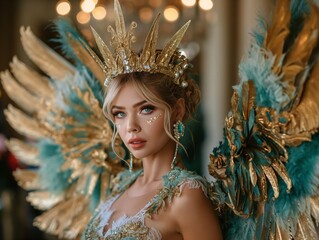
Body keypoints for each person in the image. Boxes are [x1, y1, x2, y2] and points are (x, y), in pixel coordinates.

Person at [82, 24, 222, 240]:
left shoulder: (186, 196)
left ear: (177, 111)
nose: (131, 126)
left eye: (146, 109)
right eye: (120, 113)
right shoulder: (119, 187)